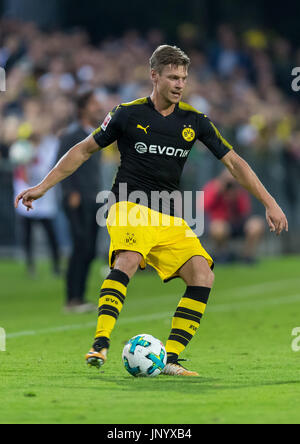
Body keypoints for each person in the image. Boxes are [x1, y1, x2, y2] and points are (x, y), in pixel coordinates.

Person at [15, 45, 288, 377]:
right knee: (127, 260)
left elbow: (234, 162)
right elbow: (84, 150)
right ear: (154, 76)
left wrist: (270, 203)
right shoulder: (126, 114)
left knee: (203, 274)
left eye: (183, 78)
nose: (179, 84)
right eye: (173, 77)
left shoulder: (195, 121)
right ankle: (100, 343)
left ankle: (170, 359)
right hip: (128, 204)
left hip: (167, 214)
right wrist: (42, 187)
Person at [56, 89, 104, 312]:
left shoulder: (96, 134)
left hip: (93, 198)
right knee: (80, 247)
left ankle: (80, 297)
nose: (98, 107)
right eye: (94, 103)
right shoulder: (71, 134)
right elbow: (61, 164)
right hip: (77, 198)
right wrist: (69, 191)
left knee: (90, 250)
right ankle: (71, 298)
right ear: (82, 108)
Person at [203, 169, 265, 263]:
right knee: (218, 228)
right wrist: (219, 191)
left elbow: (245, 211)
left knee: (256, 224)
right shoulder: (213, 187)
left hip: (237, 222)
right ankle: (222, 254)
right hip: (220, 222)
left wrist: (236, 195)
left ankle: (247, 256)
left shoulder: (238, 189)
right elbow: (205, 205)